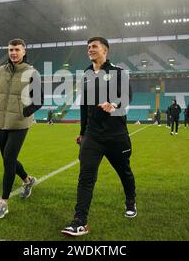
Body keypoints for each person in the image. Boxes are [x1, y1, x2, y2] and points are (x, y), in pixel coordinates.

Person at [61, 37, 135, 237]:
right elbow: (84, 106)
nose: (90, 50)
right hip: (93, 135)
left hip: (116, 134)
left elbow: (127, 96)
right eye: (88, 47)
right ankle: (79, 221)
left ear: (105, 50)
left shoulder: (118, 72)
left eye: (94, 46)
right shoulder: (85, 74)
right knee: (86, 176)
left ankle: (130, 201)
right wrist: (82, 132)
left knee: (124, 172)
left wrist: (115, 105)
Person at [0, 38, 43, 219]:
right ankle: (27, 181)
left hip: (20, 122)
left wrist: (25, 112)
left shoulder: (32, 72)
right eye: (11, 50)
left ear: (24, 51)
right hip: (2, 121)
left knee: (9, 158)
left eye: (17, 50)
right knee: (7, 158)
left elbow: (38, 100)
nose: (13, 53)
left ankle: (3, 202)